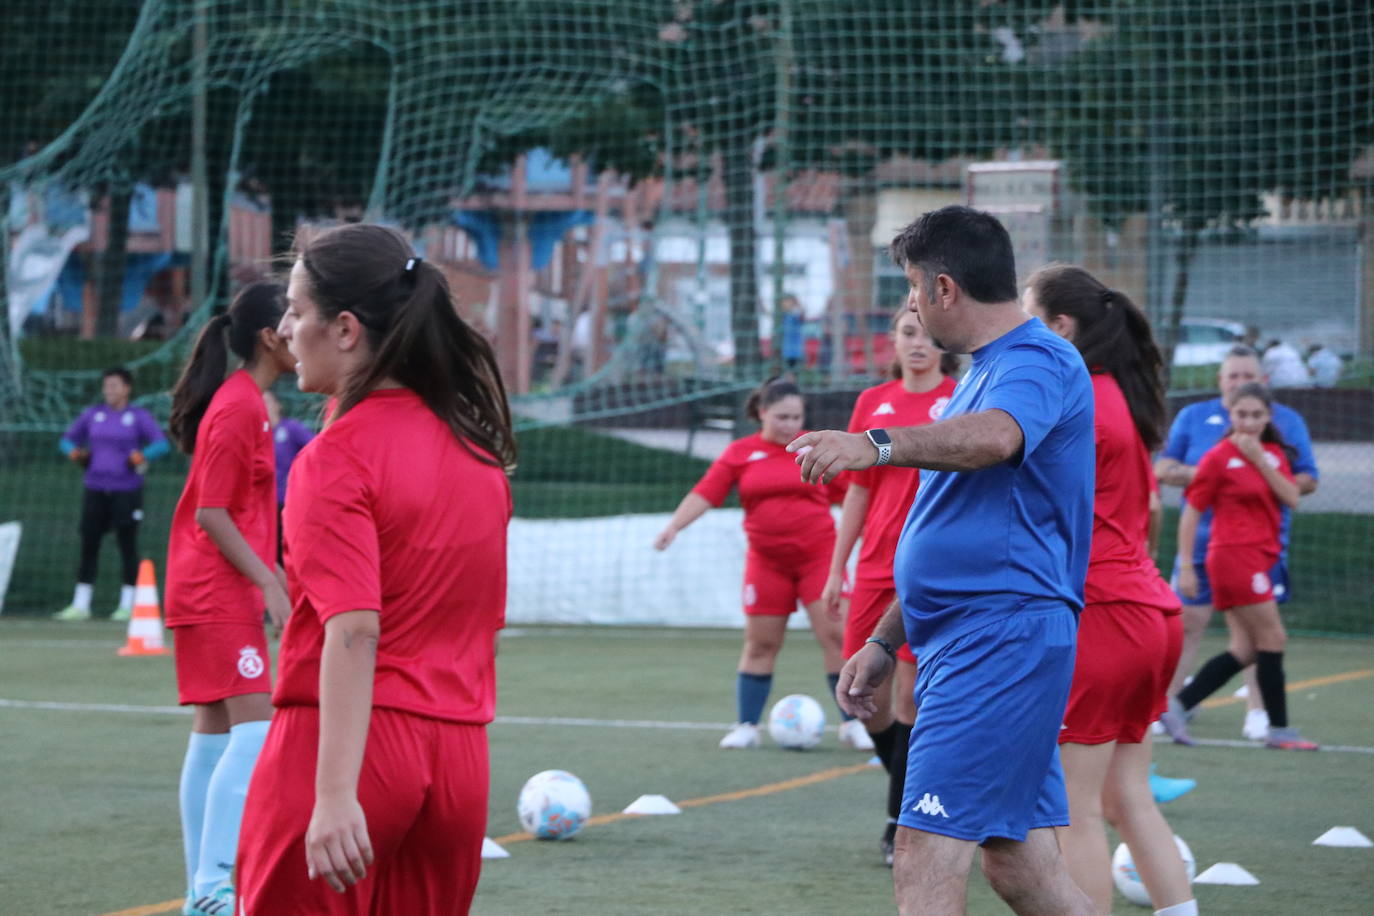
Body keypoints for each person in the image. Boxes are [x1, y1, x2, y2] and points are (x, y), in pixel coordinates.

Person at [792, 206, 1097, 915]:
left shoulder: (1037, 360)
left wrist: (876, 443)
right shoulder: (983, 373)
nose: (909, 303)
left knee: (922, 849)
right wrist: (883, 638)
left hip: (1000, 639)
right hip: (973, 636)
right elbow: (955, 532)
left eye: (911, 286)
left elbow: (996, 439)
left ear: (945, 289)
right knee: (1022, 868)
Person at [236, 224, 516, 915]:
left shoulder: (336, 459)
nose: (284, 328)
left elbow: (356, 629)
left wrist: (333, 796)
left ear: (346, 329)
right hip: (458, 762)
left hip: (351, 751)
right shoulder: (477, 455)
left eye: (297, 311)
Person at [1024, 265, 1197, 916]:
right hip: (1150, 611)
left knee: (1073, 808)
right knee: (1127, 798)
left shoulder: (1075, 398)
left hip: (1105, 615)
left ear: (1061, 328)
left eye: (1027, 314)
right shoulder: (1119, 394)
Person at [164, 282, 295, 915]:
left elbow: (235, 511)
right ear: (271, 337)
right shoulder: (240, 405)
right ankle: (214, 885)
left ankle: (201, 890)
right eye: (295, 317)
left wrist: (271, 568)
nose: (304, 328)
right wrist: (267, 581)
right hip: (215, 591)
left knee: (215, 733)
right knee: (258, 730)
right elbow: (212, 513)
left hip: (216, 587)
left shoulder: (248, 401)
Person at [822, 307, 958, 864]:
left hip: (929, 566)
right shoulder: (872, 402)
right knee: (865, 698)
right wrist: (838, 565)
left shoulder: (961, 397)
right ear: (894, 342)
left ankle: (898, 822)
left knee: (909, 695)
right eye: (908, 332)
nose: (918, 342)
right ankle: (914, 787)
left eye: (927, 333)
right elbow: (858, 490)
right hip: (876, 565)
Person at [654, 377, 858, 750]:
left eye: (796, 417)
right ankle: (747, 725)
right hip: (766, 563)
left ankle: (852, 723)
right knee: (761, 643)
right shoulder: (740, 453)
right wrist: (674, 527)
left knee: (836, 636)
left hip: (819, 559)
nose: (790, 425)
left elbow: (854, 496)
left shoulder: (815, 448)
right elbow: (706, 493)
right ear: (762, 413)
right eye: (782, 416)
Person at [1154, 345, 1319, 741]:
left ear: (1267, 417)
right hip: (1231, 557)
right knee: (1272, 637)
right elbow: (1191, 509)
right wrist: (1188, 566)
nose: (1247, 422)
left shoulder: (1275, 454)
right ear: (1230, 412)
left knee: (1246, 647)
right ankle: (1279, 729)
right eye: (1241, 414)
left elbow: (1293, 496)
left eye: (1255, 415)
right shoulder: (1216, 456)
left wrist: (1260, 460)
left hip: (1263, 557)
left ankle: (1176, 707)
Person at [54, 366, 169, 621]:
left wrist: (141, 456)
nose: (109, 391)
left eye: (115, 386)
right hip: (95, 487)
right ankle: (81, 604)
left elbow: (161, 444)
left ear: (126, 388)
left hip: (126, 490)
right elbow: (66, 440)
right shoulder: (93, 415)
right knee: (89, 544)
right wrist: (76, 454)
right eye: (107, 386)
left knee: (127, 544)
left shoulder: (138, 416)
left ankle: (127, 605)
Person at [263, 390, 315, 560]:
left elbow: (316, 448)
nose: (264, 407)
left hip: (288, 502)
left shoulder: (290, 429)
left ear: (278, 406)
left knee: (289, 549)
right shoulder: (259, 434)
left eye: (268, 402)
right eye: (260, 403)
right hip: (264, 505)